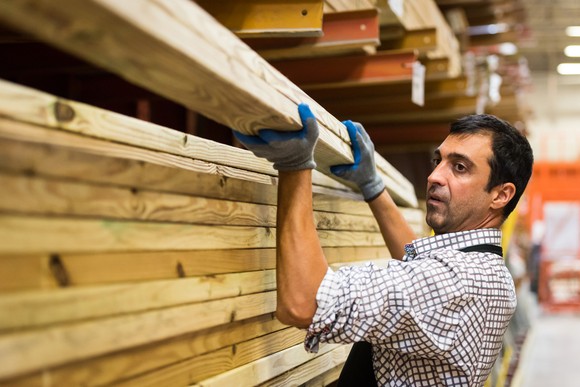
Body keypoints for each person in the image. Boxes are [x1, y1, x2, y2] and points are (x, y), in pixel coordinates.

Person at [233, 104, 534, 386]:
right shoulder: (484, 269)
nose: (434, 176)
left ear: (500, 195)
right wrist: (374, 187)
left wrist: (294, 165)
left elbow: (303, 303)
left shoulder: (456, 281)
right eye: (438, 160)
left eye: (459, 167)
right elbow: (421, 266)